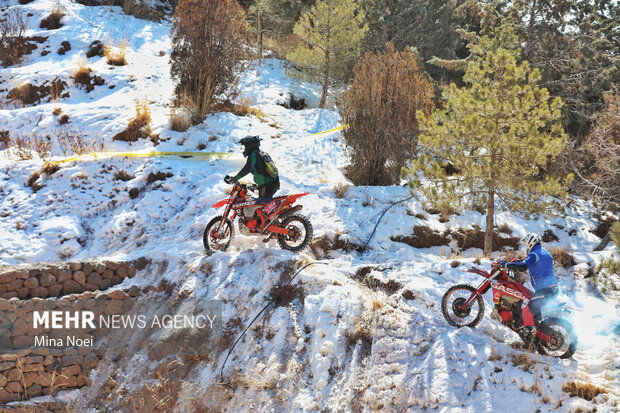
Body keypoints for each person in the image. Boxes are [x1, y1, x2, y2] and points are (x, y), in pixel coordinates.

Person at [505, 233, 559, 344]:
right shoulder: (545, 253)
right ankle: (536, 334)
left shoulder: (535, 253)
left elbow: (523, 267)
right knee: (534, 310)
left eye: (525, 245)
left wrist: (507, 265)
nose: (525, 249)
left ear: (530, 243)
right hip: (552, 289)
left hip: (545, 290)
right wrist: (517, 263)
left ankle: (529, 343)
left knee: (527, 311)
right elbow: (531, 264)